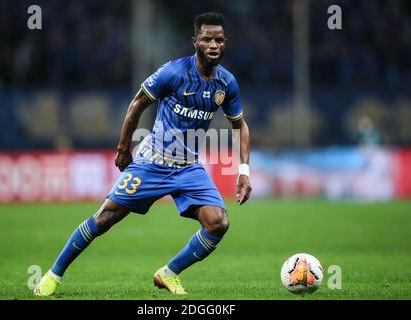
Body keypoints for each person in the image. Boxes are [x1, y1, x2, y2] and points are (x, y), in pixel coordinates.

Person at [34, 12, 251, 296]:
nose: (214, 45)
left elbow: (239, 125)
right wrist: (124, 148)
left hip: (188, 168)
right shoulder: (173, 73)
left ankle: (168, 274)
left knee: (218, 222)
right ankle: (53, 274)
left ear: (225, 43)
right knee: (104, 219)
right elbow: (137, 105)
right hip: (153, 162)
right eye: (207, 38)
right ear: (195, 41)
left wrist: (243, 170)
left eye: (219, 40)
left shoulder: (226, 83)